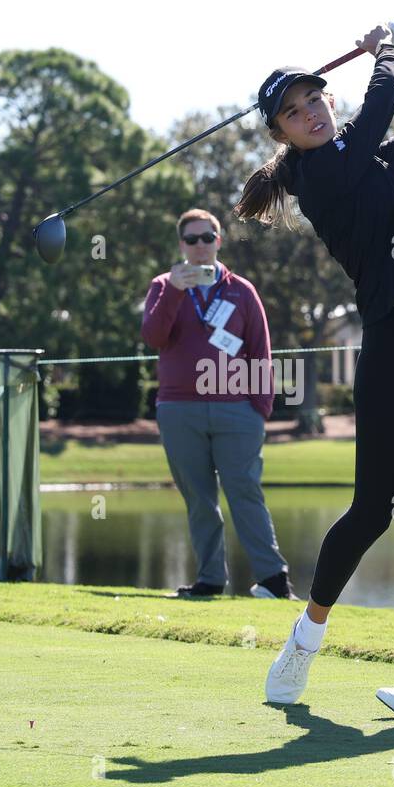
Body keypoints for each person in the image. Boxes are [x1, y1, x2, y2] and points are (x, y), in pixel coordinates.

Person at [235, 20, 394, 718]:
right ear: (281, 134)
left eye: (315, 97)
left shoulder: (366, 161)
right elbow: (378, 112)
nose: (312, 110)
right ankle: (307, 633)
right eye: (294, 110)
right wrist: (390, 57)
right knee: (374, 507)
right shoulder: (322, 177)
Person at [141, 208, 293, 599]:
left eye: (207, 238)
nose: (199, 246)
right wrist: (175, 291)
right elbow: (154, 337)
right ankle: (210, 580)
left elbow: (261, 350)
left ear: (218, 241)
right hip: (179, 410)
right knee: (199, 499)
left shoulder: (241, 290)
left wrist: (260, 407)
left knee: (245, 491)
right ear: (181, 245)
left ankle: (274, 581)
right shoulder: (163, 286)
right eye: (191, 239)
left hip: (237, 410)